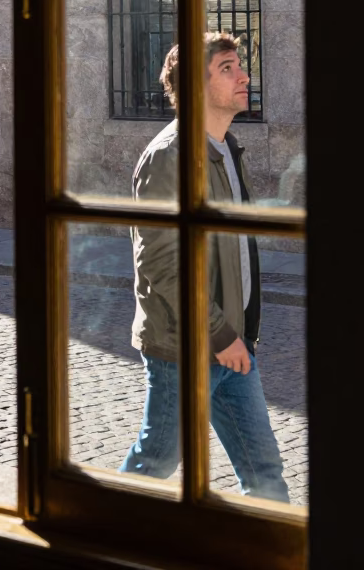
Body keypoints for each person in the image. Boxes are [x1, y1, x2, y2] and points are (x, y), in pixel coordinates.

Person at [118, 31, 289, 502]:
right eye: (228, 68)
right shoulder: (169, 157)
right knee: (155, 460)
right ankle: (92, 527)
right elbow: (161, 263)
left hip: (234, 344)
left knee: (265, 472)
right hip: (186, 347)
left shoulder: (226, 148)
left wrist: (236, 334)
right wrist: (220, 334)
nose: (244, 76)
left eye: (240, 66)